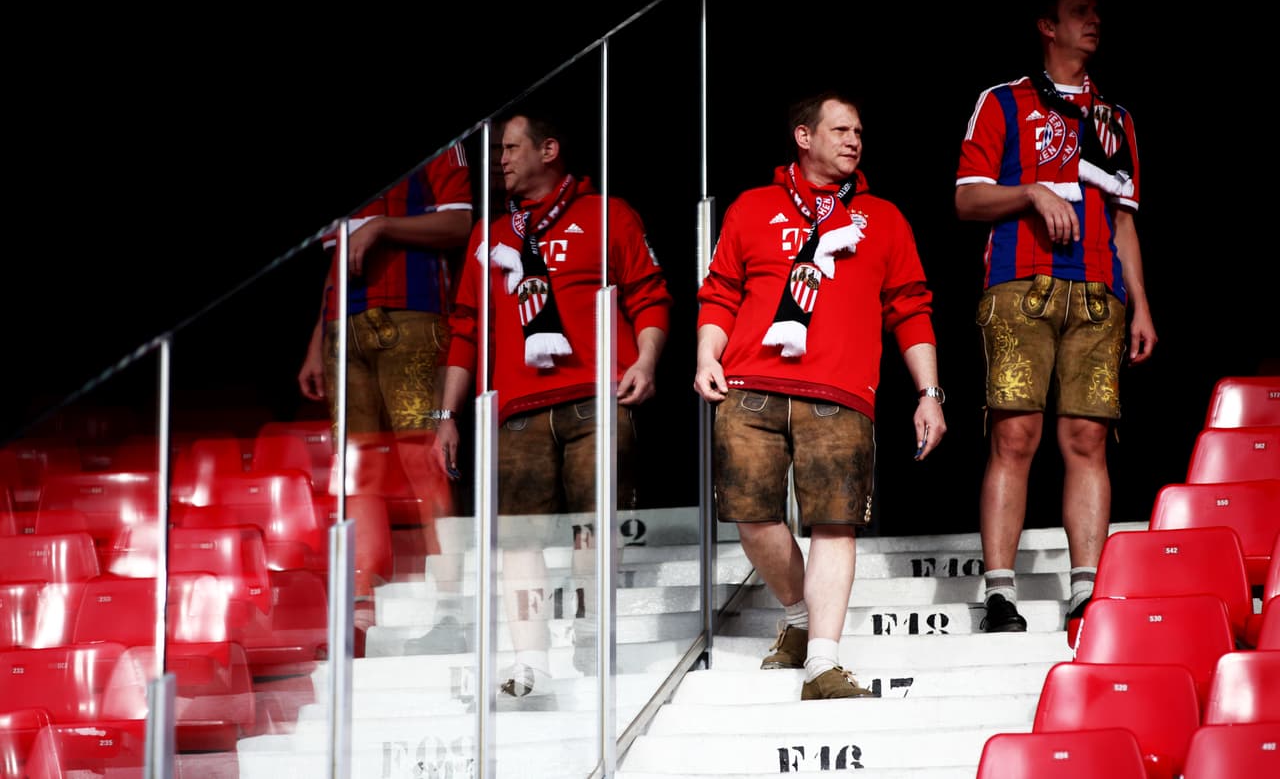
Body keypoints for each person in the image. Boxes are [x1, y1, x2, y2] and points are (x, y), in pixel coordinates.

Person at [693, 91, 946, 700]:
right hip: (750, 385)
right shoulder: (753, 207)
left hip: (841, 391)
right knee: (752, 518)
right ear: (803, 138)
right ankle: (801, 619)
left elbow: (910, 309)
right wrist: (706, 353)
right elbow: (721, 290)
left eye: (859, 130)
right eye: (839, 130)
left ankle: (822, 664)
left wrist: (929, 392)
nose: (854, 140)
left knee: (834, 524)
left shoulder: (883, 217)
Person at [433, 111, 672, 697]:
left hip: (596, 396)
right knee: (520, 538)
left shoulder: (609, 215)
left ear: (550, 149)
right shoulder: (489, 235)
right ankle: (531, 660)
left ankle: (591, 630)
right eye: (498, 150)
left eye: (512, 147)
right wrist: (447, 415)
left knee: (593, 526)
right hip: (515, 408)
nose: (500, 160)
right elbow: (465, 327)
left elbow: (649, 295)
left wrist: (645, 362)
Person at [954, 0, 1157, 635]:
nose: (1094, 21)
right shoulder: (1004, 101)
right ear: (1047, 25)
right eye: (1079, 12)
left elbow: (1124, 220)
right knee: (1015, 436)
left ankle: (1087, 591)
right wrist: (1031, 192)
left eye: (1098, 11)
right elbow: (966, 199)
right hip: (1021, 284)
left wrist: (1143, 306)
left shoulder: (1115, 117)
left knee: (1088, 439)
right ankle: (999, 593)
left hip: (1100, 294)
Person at [297, 142, 475, 630]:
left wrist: (384, 226)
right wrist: (318, 337)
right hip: (342, 329)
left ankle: (450, 594)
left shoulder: (444, 145)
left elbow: (461, 223)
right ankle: (362, 596)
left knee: (425, 459)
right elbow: (334, 263)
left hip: (413, 315)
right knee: (357, 470)